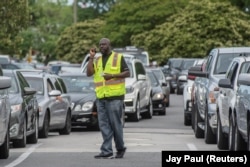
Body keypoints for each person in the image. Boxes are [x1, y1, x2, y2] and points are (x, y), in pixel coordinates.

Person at [86, 38, 130, 159]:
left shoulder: (118, 57)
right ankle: (106, 151)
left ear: (109, 45)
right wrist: (91, 57)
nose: (102, 46)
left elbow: (127, 73)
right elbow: (89, 73)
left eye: (104, 44)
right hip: (101, 97)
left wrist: (112, 76)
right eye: (100, 45)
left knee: (116, 124)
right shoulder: (97, 59)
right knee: (104, 125)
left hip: (115, 97)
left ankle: (120, 148)